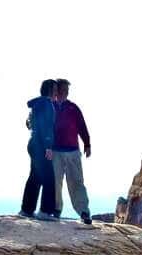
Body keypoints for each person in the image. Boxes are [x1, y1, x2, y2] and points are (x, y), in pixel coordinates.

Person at [52, 78, 92, 224]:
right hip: (55, 151)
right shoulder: (50, 106)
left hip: (72, 151)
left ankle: (84, 212)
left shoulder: (73, 108)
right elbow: (37, 119)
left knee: (76, 182)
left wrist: (87, 144)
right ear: (56, 92)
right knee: (55, 182)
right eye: (63, 90)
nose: (66, 93)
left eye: (67, 91)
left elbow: (82, 126)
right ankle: (55, 210)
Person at [20, 79, 58, 221]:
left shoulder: (37, 104)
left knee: (35, 177)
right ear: (50, 89)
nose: (57, 92)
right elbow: (45, 125)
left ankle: (26, 210)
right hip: (41, 145)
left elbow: (29, 123)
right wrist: (48, 146)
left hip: (34, 143)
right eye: (55, 89)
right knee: (49, 178)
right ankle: (45, 212)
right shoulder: (47, 104)